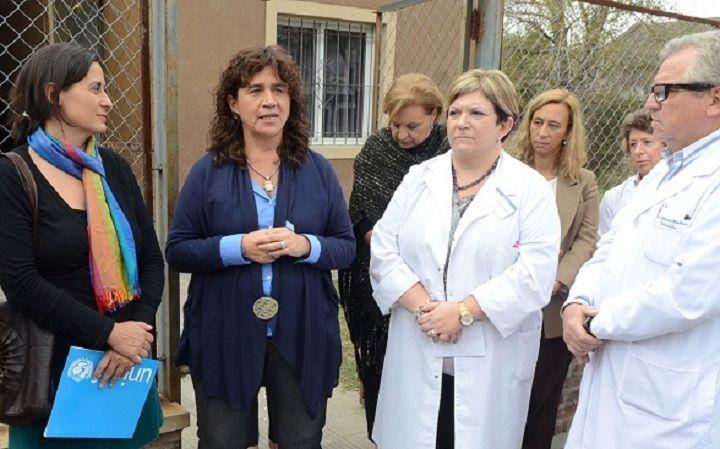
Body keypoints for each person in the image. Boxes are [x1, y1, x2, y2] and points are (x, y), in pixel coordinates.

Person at [165, 46, 355, 449]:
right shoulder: (207, 173)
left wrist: (305, 245)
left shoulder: (318, 171)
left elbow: (345, 247)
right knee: (223, 440)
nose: (269, 101)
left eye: (279, 89)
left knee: (301, 439)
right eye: (255, 90)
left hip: (302, 328)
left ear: (291, 101)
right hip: (224, 328)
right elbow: (178, 250)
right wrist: (238, 248)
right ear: (233, 104)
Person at [369, 69, 560, 449]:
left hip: (489, 361)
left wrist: (462, 312)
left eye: (476, 113)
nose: (461, 122)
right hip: (419, 345)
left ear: (505, 125)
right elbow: (383, 249)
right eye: (455, 113)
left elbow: (534, 273)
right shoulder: (419, 178)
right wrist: (429, 311)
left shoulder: (529, 190)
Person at [0, 43, 164, 448]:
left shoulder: (115, 169)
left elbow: (150, 260)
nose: (108, 101)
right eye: (95, 88)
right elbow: (21, 283)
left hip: (121, 371)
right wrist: (110, 333)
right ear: (53, 94)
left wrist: (132, 339)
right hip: (54, 378)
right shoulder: (13, 175)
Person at [562, 30, 720, 449]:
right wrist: (577, 303)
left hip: (669, 407)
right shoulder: (663, 172)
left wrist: (594, 323)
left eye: (664, 91)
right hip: (614, 381)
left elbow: (690, 293)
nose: (650, 103)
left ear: (715, 99)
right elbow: (608, 248)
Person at [338, 72, 449, 439]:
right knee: (379, 366)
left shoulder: (450, 151)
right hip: (376, 277)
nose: (401, 134)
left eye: (412, 126)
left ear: (434, 114)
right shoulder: (376, 150)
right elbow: (362, 215)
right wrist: (392, 257)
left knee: (424, 370)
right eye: (395, 124)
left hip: (434, 280)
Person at [512, 89, 599, 449]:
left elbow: (587, 240)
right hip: (506, 301)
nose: (542, 132)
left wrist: (555, 279)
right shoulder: (506, 171)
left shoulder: (583, 181)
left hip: (550, 308)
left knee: (542, 401)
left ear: (568, 132)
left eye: (553, 125)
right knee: (503, 398)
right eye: (537, 122)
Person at [598, 108, 664, 234]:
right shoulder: (614, 198)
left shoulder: (684, 188)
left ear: (666, 145)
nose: (638, 151)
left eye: (647, 142)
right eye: (633, 144)